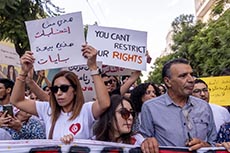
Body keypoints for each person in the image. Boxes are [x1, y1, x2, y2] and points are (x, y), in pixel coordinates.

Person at [10, 44, 110, 144]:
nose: (58, 93)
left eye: (64, 88)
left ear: (75, 90)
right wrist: (23, 72)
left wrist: (93, 67)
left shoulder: (86, 111)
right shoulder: (48, 110)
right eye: (55, 89)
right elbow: (17, 101)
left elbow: (104, 103)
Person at [140, 58, 217, 152]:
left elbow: (214, 143)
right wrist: (147, 142)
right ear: (168, 81)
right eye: (183, 76)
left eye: (191, 75)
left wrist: (205, 145)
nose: (191, 80)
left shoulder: (204, 106)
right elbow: (145, 141)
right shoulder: (150, 108)